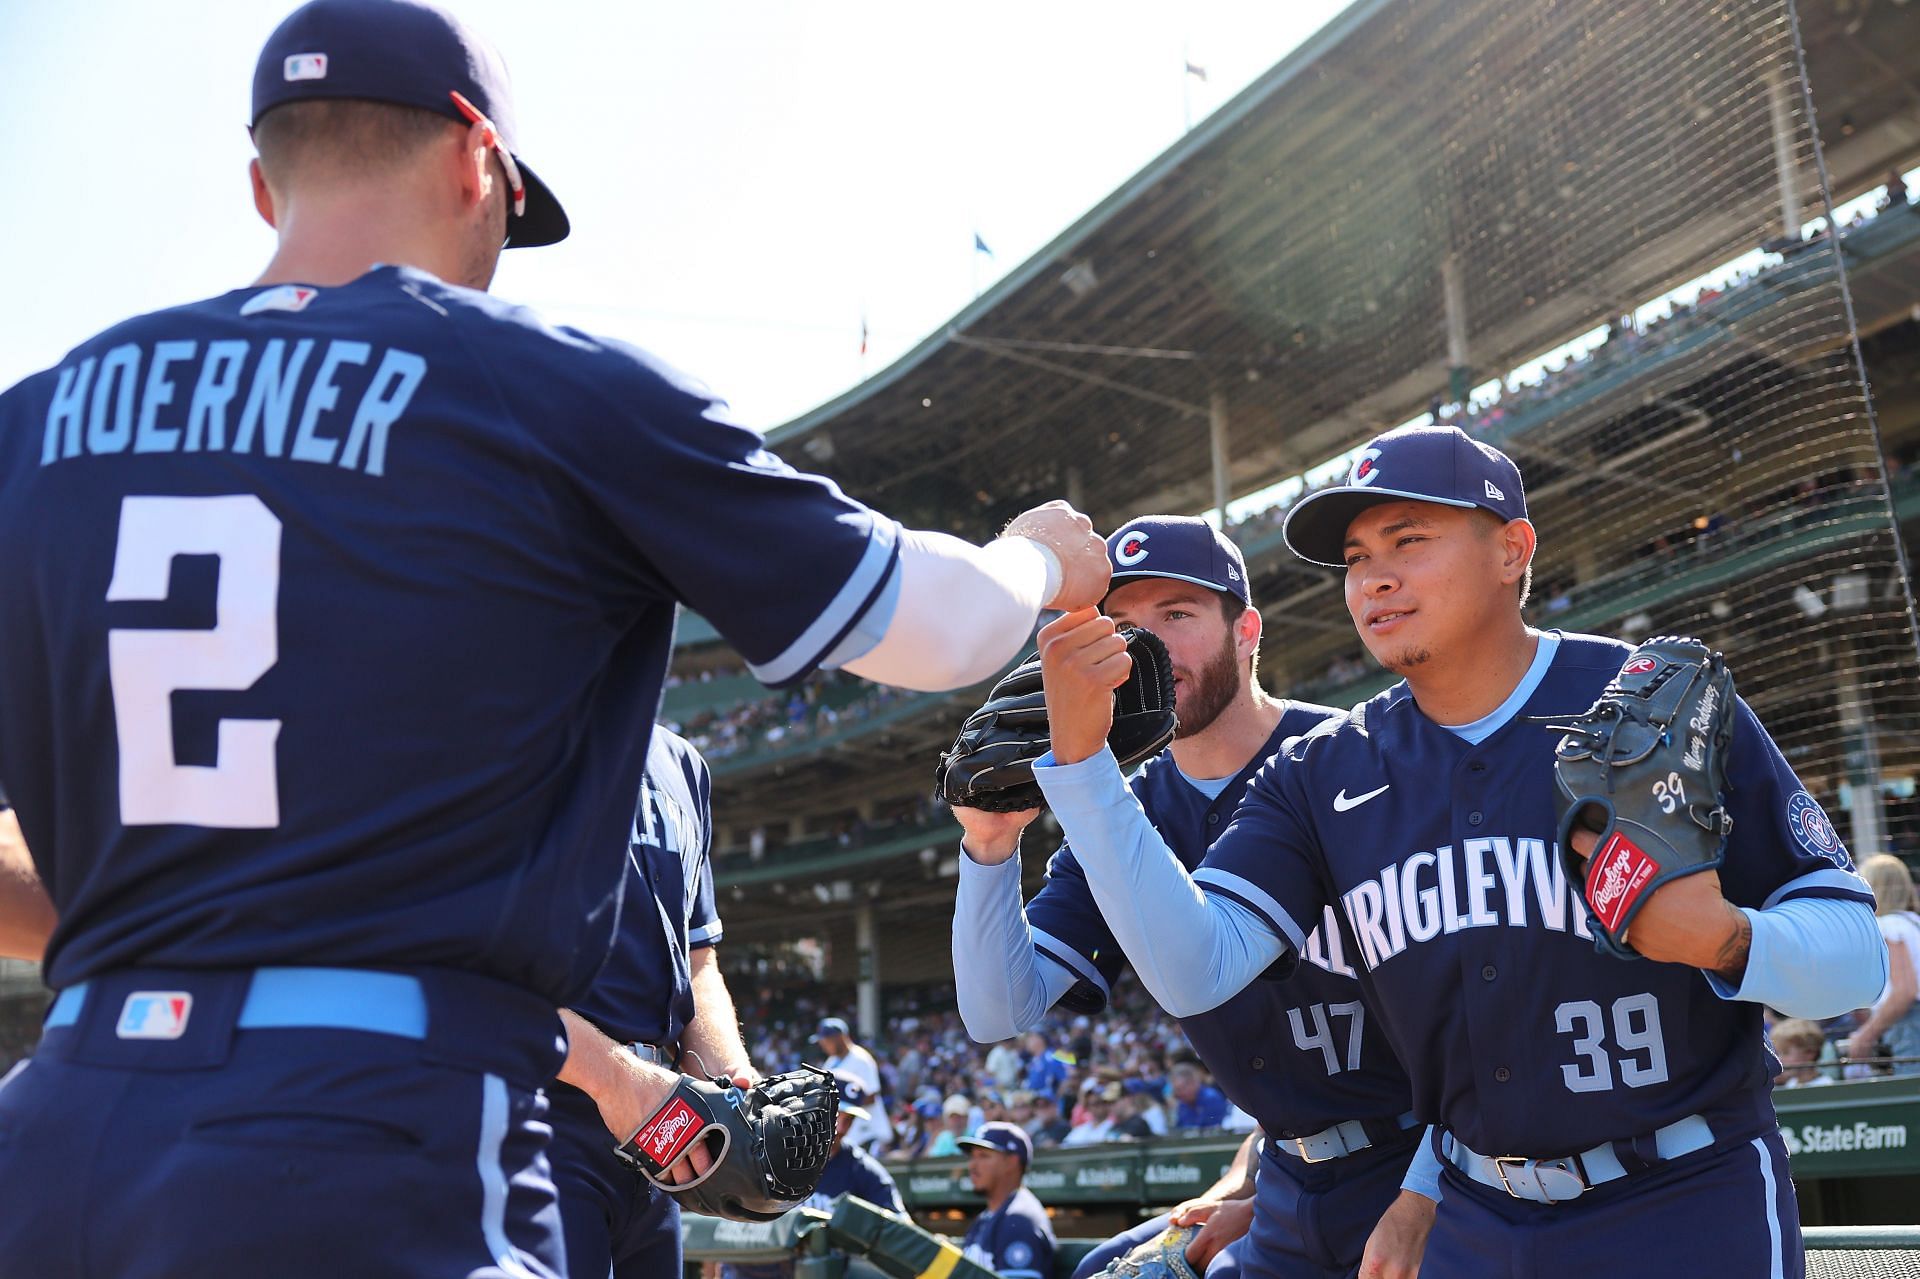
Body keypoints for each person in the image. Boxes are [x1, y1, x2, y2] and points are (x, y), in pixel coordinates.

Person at [0, 2, 1114, 1273]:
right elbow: (940, 625)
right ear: (481, 160)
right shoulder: (543, 385)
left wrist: (181, 934)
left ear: (265, 183)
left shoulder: (35, 418)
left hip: (62, 1125)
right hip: (370, 1142)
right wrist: (1040, 555)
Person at [1028, 425, 1889, 1278]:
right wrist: (1082, 764)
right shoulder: (1321, 769)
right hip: (1475, 1222)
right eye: (1358, 557)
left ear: (1513, 549)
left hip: (1684, 1198)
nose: (1376, 577)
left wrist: (1729, 939)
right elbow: (1196, 970)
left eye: (1410, 540)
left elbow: (1858, 962)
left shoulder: (1643, 703)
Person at [952, 516, 1432, 1279]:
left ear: (1246, 629)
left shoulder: (1354, 757)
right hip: (1293, 1170)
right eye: (1122, 625)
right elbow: (996, 1009)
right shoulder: (1122, 809)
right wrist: (989, 844)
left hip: (1433, 1158)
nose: (1144, 649)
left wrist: (1420, 1192)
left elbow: (1483, 1025)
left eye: (1176, 615)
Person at [547, 728, 752, 1279]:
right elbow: (463, 964)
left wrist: (727, 1080)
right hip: (534, 1107)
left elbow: (697, 955)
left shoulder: (682, 761)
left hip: (663, 1121)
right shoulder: (499, 721)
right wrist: (617, 1081)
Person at [722, 1072, 906, 1279]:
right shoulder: (769, 1150)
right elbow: (722, 1221)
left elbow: (899, 1230)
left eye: (850, 1119)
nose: (843, 1128)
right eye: (837, 1115)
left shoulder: (863, 1171)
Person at [1845, 854, 1920, 1077]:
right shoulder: (1913, 921)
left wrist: (1866, 1034)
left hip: (1910, 1027)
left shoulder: (1887, 925)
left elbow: (1904, 992)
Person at [958, 1122, 1056, 1279]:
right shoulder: (987, 1217)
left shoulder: (1018, 1219)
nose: (972, 1166)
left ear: (1012, 1162)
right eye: (972, 1157)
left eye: (983, 1156)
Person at [812, 1017, 896, 1152]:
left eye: (826, 1039)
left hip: (869, 1132)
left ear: (840, 1037)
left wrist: (842, 1104)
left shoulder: (860, 1059)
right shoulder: (831, 1062)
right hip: (850, 1133)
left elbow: (871, 1095)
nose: (823, 1044)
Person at [1769, 1019, 1835, 1089]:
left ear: (1809, 1052)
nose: (1780, 1060)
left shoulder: (1826, 1085)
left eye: (1786, 1053)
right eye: (1778, 1053)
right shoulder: (1790, 1084)